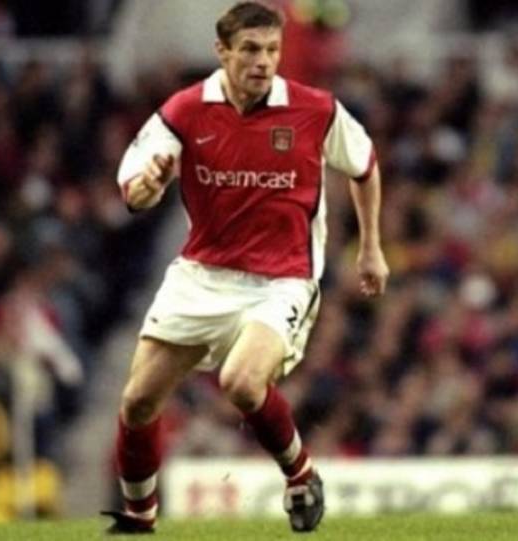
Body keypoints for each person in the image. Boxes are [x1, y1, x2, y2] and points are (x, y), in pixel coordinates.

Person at [101, 1, 388, 534]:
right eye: (251, 49)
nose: (263, 62)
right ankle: (140, 520)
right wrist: (146, 188)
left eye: (272, 50)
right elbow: (134, 185)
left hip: (281, 280)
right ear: (223, 51)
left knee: (240, 382)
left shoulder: (315, 109)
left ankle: (300, 474)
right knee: (137, 401)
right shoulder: (186, 110)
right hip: (201, 276)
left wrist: (371, 246)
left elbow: (365, 164)